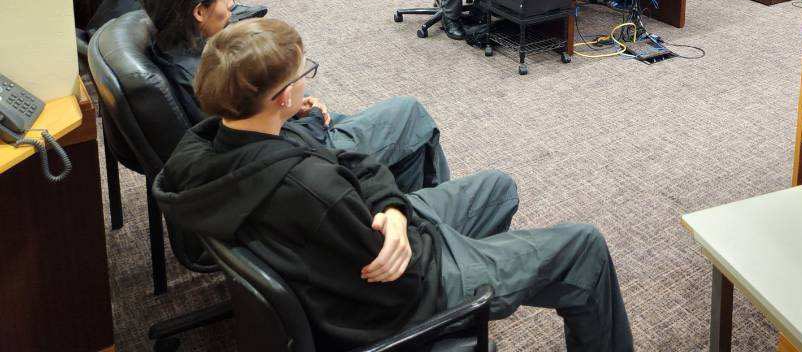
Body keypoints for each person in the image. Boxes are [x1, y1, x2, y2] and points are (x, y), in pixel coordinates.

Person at [153, 18, 632, 352]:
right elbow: (397, 282)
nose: (306, 83)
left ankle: (481, 273)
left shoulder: (206, 146)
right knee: (583, 247)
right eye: (302, 75)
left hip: (385, 239)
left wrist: (395, 211)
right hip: (413, 292)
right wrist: (413, 236)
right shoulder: (312, 189)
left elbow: (354, 160)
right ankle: (465, 308)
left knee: (498, 187)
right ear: (279, 98)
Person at [140, 0, 450, 192]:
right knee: (411, 114)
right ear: (198, 11)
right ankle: (429, 223)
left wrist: (295, 107)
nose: (232, 4)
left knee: (407, 143)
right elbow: (256, 135)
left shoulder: (174, 50)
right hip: (295, 157)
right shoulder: (202, 70)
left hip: (283, 137)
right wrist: (304, 115)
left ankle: (403, 208)